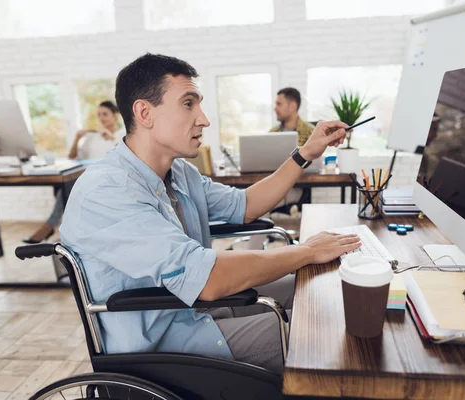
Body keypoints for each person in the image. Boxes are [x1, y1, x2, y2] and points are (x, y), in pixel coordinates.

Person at [58, 53, 361, 376]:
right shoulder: (105, 190)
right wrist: (306, 251)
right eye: (188, 104)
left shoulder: (181, 173)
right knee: (322, 328)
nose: (204, 119)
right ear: (144, 112)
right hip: (167, 343)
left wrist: (304, 154)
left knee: (318, 287)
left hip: (197, 310)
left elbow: (244, 205)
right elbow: (209, 280)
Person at [22, 101, 125, 243]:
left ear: (115, 116)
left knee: (69, 187)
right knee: (67, 185)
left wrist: (113, 139)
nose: (101, 118)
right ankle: (63, 231)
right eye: (99, 115)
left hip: (109, 178)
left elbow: (125, 157)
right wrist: (77, 138)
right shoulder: (92, 136)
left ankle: (53, 227)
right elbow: (72, 157)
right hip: (89, 176)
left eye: (105, 114)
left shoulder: (123, 135)